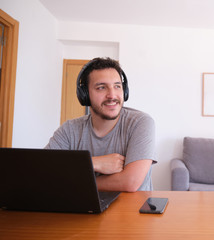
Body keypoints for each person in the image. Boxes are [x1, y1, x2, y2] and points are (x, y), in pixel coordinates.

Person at [45, 57, 156, 192]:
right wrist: (93, 163)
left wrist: (72, 182)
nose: (112, 95)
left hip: (132, 210)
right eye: (101, 87)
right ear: (85, 95)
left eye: (117, 86)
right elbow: (44, 169)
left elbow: (130, 182)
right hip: (84, 208)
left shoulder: (140, 123)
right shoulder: (70, 130)